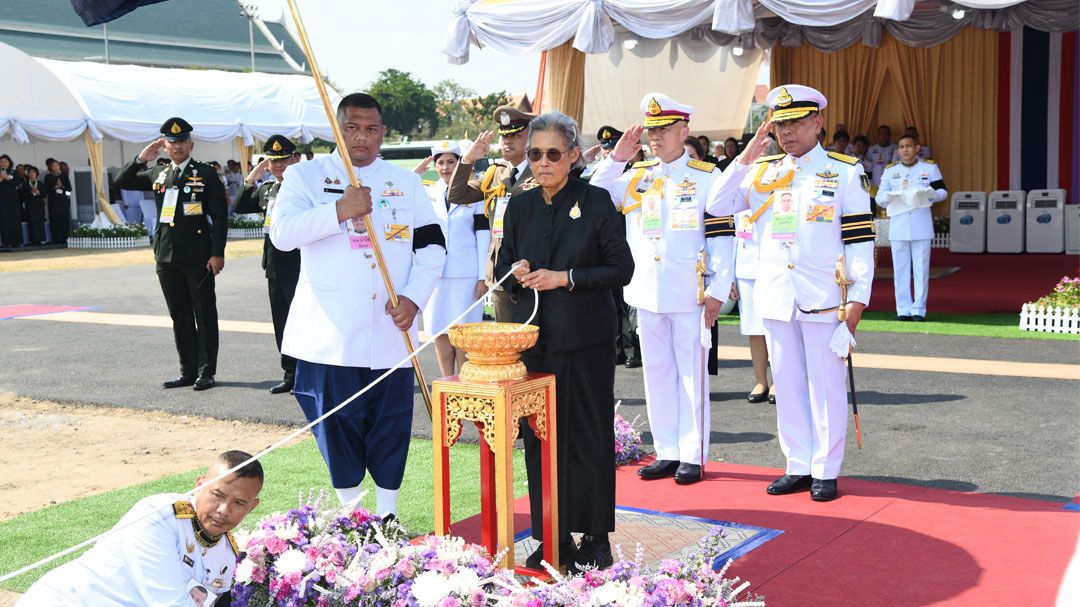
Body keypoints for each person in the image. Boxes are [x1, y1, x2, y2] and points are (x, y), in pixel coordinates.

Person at [270, 93, 446, 518]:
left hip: (392, 331)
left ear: (383, 133)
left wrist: (414, 297)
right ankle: (353, 516)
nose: (361, 138)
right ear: (338, 130)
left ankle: (387, 514)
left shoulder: (405, 182)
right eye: (352, 128)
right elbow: (283, 235)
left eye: (371, 129)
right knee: (337, 428)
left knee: (391, 426)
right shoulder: (305, 178)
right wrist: (339, 210)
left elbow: (432, 245)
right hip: (332, 336)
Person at [707, 85, 875, 502]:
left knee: (826, 384)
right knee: (787, 383)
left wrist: (856, 304)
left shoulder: (846, 172)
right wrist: (747, 155)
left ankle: (825, 469)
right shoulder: (762, 172)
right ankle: (797, 463)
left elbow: (859, 243)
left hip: (825, 297)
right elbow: (716, 204)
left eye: (797, 123)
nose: (788, 132)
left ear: (818, 122)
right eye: (781, 125)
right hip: (777, 295)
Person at [497, 111, 634, 573]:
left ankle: (595, 537)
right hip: (537, 344)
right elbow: (502, 269)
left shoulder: (596, 202)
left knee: (589, 438)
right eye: (535, 154)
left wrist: (567, 278)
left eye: (553, 154)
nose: (542, 163)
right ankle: (550, 535)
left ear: (574, 156)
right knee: (539, 441)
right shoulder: (520, 205)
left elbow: (621, 269)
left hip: (587, 342)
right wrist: (513, 274)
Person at [591, 93, 736, 486]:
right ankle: (668, 450)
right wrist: (617, 157)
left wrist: (719, 288)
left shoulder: (708, 177)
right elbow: (592, 195)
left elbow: (723, 236)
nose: (655, 137)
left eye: (664, 130)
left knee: (691, 376)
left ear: (684, 131)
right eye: (651, 131)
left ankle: (692, 454)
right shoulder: (636, 176)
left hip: (691, 293)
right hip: (646, 291)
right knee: (656, 374)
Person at [17, 451, 263, 606]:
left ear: (252, 507)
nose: (223, 510)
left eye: (239, 503)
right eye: (217, 494)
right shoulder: (159, 516)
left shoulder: (227, 552)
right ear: (199, 485)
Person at [114, 117, 228, 391]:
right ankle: (187, 370)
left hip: (198, 255)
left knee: (204, 313)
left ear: (191, 143)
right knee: (180, 315)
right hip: (166, 256)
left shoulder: (206, 173)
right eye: (172, 142)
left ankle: (206, 371)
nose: (177, 147)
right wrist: (142, 158)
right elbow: (122, 180)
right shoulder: (159, 173)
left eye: (182, 142)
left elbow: (220, 216)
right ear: (164, 145)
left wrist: (217, 253)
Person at [446, 105, 537, 322]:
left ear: (531, 138)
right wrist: (468, 159)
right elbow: (457, 195)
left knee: (534, 346)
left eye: (515, 135)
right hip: (500, 274)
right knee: (505, 349)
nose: (507, 141)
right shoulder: (496, 172)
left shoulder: (541, 170)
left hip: (532, 271)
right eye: (504, 136)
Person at [413, 140, 489, 377]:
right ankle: (447, 382)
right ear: (435, 165)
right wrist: (416, 173)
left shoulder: (475, 191)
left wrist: (482, 276)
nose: (446, 167)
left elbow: (483, 234)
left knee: (463, 334)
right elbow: (399, 194)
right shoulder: (428, 191)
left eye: (451, 162)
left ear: (460, 163)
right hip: (435, 275)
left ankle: (465, 382)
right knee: (440, 332)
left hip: (466, 275)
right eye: (441, 163)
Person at [233, 135, 303, 393]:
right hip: (274, 264)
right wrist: (253, 175)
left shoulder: (305, 188)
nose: (278, 165)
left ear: (294, 158)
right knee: (282, 322)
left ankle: (307, 374)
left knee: (303, 322)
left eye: (283, 159)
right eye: (273, 161)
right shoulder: (267, 189)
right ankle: (290, 373)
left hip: (300, 264)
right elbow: (240, 206)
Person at [877, 134, 948, 322]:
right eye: (901, 147)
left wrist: (929, 194)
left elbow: (943, 192)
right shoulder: (891, 171)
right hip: (899, 225)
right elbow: (880, 197)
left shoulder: (929, 168)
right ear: (898, 150)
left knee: (921, 269)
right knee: (900, 270)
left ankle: (918, 309)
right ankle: (903, 309)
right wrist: (889, 197)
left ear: (917, 148)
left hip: (920, 224)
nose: (905, 150)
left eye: (908, 146)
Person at [730, 209, 773, 403]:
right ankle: (760, 380)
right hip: (746, 268)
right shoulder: (742, 191)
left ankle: (780, 381)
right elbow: (730, 239)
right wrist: (729, 278)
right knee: (754, 329)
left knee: (777, 329)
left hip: (774, 268)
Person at [42, 158, 71, 244]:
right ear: (51, 167)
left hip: (63, 200)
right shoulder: (48, 176)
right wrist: (55, 187)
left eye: (57, 165)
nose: (55, 167)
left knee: (64, 219)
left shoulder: (64, 175)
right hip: (53, 201)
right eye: (53, 166)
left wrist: (62, 187)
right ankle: (56, 239)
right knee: (55, 219)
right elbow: (46, 189)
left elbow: (69, 189)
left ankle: (65, 238)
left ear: (59, 166)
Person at [19, 165, 48, 245]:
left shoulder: (40, 183)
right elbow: (22, 196)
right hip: (29, 205)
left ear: (37, 174)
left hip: (39, 205)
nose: (32, 174)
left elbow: (45, 195)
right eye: (30, 172)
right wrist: (30, 192)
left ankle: (40, 239)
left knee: (39, 222)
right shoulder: (25, 184)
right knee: (31, 222)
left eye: (33, 172)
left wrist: (38, 192)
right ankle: (33, 240)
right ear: (28, 174)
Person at [0, 155, 23, 248]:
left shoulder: (14, 172)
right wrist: (1, 179)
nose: (3, 163)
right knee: (4, 220)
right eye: (1, 162)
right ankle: (7, 242)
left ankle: (17, 242)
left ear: (9, 163)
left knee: (15, 220)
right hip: (2, 200)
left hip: (13, 200)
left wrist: (7, 178)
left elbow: (17, 184)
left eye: (5, 161)